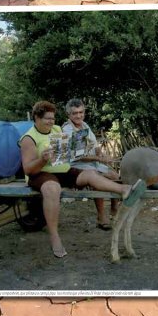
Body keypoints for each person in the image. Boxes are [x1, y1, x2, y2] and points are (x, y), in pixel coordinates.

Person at [19, 101, 145, 258]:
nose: (51, 121)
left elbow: (66, 156)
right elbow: (28, 169)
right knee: (52, 188)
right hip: (40, 173)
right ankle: (54, 236)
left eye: (53, 118)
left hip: (62, 170)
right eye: (47, 118)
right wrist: (43, 160)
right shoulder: (29, 138)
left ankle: (125, 190)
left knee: (91, 174)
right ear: (37, 118)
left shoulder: (57, 130)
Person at [62, 98, 119, 231]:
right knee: (98, 179)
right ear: (68, 115)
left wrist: (101, 154)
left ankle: (114, 209)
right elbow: (79, 155)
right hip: (76, 165)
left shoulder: (84, 125)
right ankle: (101, 216)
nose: (78, 115)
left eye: (81, 112)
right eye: (75, 113)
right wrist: (100, 159)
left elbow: (94, 144)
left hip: (92, 162)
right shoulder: (68, 130)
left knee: (115, 176)